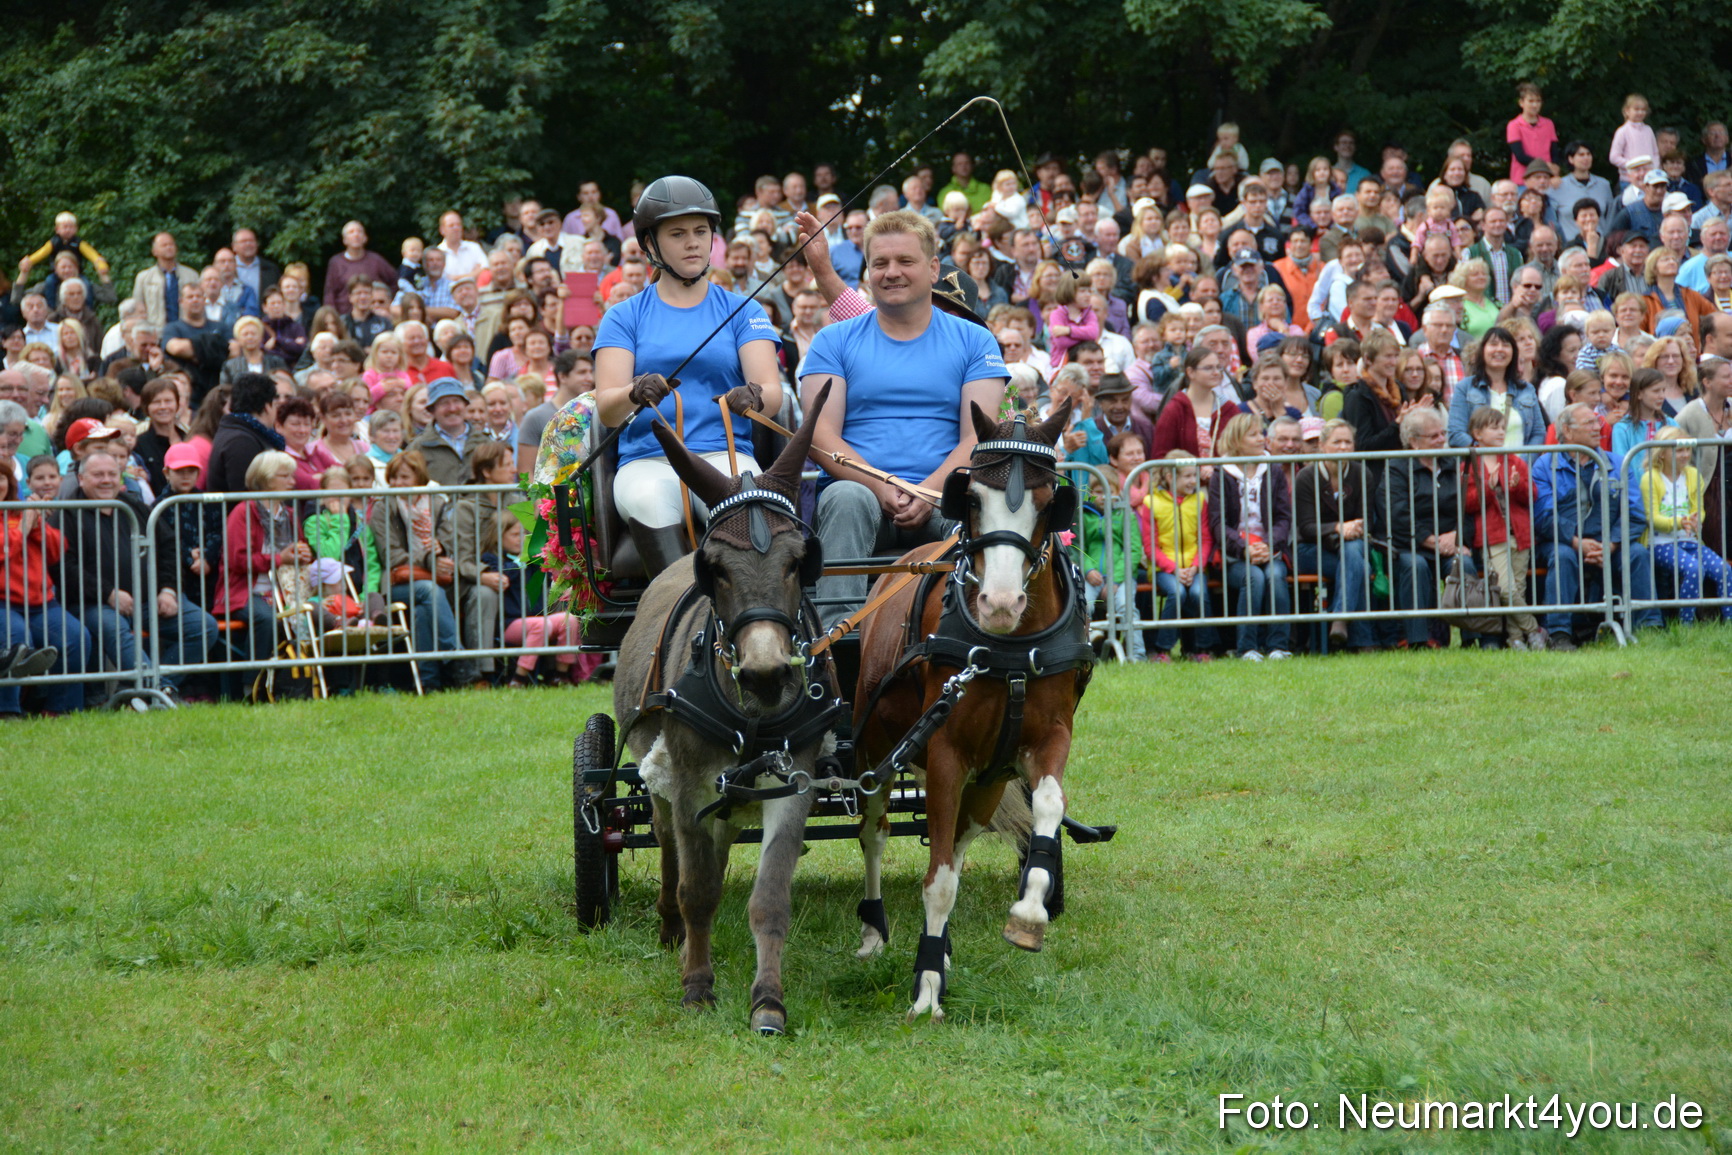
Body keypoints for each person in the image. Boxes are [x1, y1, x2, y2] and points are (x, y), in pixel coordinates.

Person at [795, 207, 1006, 626]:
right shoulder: (833, 340)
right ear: (867, 272)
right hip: (857, 494)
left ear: (931, 269)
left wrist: (927, 493)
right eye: (880, 263)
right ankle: (838, 639)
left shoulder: (975, 340)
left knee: (982, 509)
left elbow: (977, 437)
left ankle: (972, 631)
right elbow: (819, 435)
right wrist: (880, 486)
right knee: (845, 498)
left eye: (905, 261)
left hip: (945, 495)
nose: (892, 272)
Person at [592, 176, 781, 571]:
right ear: (650, 244)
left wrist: (755, 396)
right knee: (651, 499)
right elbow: (607, 410)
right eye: (677, 233)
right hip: (647, 460)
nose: (693, 242)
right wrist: (632, 392)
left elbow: (773, 392)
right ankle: (680, 613)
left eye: (700, 231)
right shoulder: (622, 317)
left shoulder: (746, 310)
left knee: (749, 500)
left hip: (724, 453)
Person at [64, 446, 221, 695]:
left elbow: (168, 546)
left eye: (112, 474)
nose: (106, 480)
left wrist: (168, 590)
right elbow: (65, 566)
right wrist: (108, 593)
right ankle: (157, 690)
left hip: (148, 600)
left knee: (203, 627)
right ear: (81, 478)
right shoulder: (66, 513)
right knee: (112, 626)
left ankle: (147, 688)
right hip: (94, 603)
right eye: (98, 475)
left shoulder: (135, 506)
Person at [1532, 403, 1661, 648]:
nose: (1598, 427)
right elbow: (1543, 517)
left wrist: (1611, 544)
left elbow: (1634, 513)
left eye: (1597, 422)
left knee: (1636, 553)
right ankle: (1559, 634)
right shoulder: (1544, 465)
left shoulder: (1618, 463)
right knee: (1563, 556)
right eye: (1590, 423)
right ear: (1568, 432)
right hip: (1565, 542)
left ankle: (1649, 627)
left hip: (1608, 542)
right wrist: (1576, 542)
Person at [0, 464, 88, 716]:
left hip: (41, 603)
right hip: (3, 602)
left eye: (2, 478)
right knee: (17, 639)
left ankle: (62, 710)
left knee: (76, 637)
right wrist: (24, 528)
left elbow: (56, 550)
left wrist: (38, 525)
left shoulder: (21, 512)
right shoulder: (22, 517)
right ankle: (8, 710)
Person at [1373, 407, 1460, 649]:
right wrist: (1431, 540)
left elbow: (1470, 507)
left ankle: (1479, 637)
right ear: (1413, 441)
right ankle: (1417, 639)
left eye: (1443, 433)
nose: (1442, 440)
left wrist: (1456, 536)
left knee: (1463, 564)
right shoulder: (1396, 468)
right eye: (1434, 436)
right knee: (1416, 565)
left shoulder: (1453, 464)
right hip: (1408, 543)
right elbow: (1397, 514)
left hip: (1449, 542)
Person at [1208, 413, 1291, 660]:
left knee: (1275, 575)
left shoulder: (1273, 470)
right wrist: (1244, 547)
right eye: (1253, 434)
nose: (1261, 438)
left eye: (1261, 433)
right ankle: (1247, 647)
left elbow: (1283, 517)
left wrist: (1268, 544)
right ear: (1236, 439)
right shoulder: (1221, 473)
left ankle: (1278, 646)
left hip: (1269, 548)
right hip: (1235, 553)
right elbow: (1218, 523)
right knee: (1253, 577)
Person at [1461, 406, 1543, 650]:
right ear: (1477, 433)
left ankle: (1515, 639)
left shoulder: (1514, 460)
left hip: (1520, 534)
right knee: (1506, 589)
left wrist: (1515, 486)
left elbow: (1533, 495)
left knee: (1518, 588)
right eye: (1493, 427)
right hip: (1492, 536)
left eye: (1502, 428)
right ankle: (1534, 629)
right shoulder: (1469, 463)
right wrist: (1489, 485)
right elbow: (1467, 502)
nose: (1500, 432)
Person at [1295, 418, 1379, 650]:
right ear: (1322, 445)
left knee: (1353, 554)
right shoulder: (1306, 476)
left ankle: (1340, 619)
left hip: (1353, 544)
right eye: (1337, 442)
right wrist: (1339, 529)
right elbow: (1306, 527)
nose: (1343, 447)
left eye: (1348, 442)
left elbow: (1367, 522)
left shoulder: (1362, 473)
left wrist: (1352, 531)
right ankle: (1362, 640)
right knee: (1359, 566)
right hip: (1312, 549)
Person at [1076, 433, 1146, 661]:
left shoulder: (1126, 514)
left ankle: (1137, 655)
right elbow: (1075, 547)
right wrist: (1087, 570)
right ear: (1090, 492)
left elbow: (1134, 549)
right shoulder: (1083, 515)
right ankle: (1082, 654)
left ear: (1118, 491)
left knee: (1128, 608)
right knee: (1082, 605)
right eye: (1098, 492)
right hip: (1091, 576)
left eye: (1110, 491)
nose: (1104, 497)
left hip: (1121, 577)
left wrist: (1116, 579)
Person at [1145, 450, 1217, 661]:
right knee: (1177, 592)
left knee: (1198, 593)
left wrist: (1195, 567)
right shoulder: (1151, 502)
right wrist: (1174, 569)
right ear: (1169, 477)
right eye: (1187, 476)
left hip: (1194, 567)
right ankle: (1164, 649)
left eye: (1194, 475)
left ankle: (1202, 648)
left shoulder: (1199, 500)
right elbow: (1150, 546)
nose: (1192, 481)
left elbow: (1205, 540)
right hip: (1164, 568)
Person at [1447, 326, 1546, 449]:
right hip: (1481, 466)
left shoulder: (1527, 389)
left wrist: (1521, 463)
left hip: (1520, 466)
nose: (1499, 349)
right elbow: (1456, 433)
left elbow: (1538, 433)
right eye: (1493, 344)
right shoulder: (1465, 387)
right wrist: (1484, 455)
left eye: (1505, 345)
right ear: (1482, 350)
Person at [204, 372, 284, 494]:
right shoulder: (241, 441)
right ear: (267, 407)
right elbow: (245, 493)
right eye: (275, 405)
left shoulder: (238, 433)